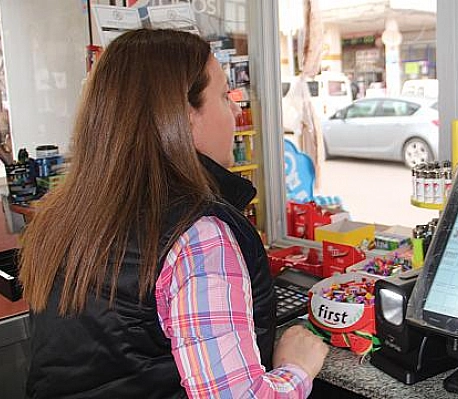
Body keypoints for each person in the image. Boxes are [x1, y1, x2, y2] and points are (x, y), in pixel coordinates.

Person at [19, 29, 328, 398]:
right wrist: (298, 366)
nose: (235, 109)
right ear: (185, 115)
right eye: (224, 95)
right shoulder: (197, 233)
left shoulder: (62, 213)